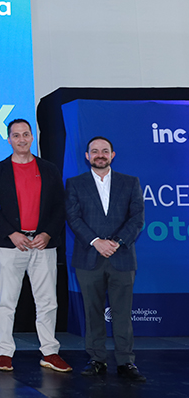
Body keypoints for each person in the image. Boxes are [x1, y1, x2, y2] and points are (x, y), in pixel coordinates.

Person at [0, 119, 71, 373]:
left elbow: (60, 207)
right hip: (11, 245)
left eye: (25, 134)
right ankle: (4, 353)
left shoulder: (49, 169)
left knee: (48, 301)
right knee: (6, 302)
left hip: (43, 245)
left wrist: (47, 234)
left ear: (32, 137)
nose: (21, 139)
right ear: (8, 139)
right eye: (16, 135)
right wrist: (11, 233)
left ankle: (50, 352)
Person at [65, 136, 146, 381]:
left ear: (112, 155)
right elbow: (73, 217)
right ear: (87, 156)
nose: (100, 155)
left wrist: (117, 242)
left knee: (122, 313)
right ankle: (97, 359)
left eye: (104, 151)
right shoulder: (75, 184)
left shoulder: (130, 182)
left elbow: (137, 218)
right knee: (92, 312)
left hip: (122, 257)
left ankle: (125, 361)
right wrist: (96, 242)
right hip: (89, 257)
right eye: (95, 151)